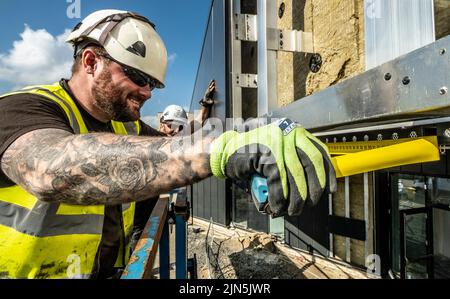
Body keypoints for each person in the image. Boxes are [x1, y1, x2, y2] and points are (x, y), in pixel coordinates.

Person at [0, 9, 336, 279]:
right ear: (91, 62)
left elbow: (175, 150)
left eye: (154, 86)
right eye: (139, 78)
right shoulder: (23, 108)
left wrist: (246, 138)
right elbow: (52, 169)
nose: (147, 92)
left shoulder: (124, 125)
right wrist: (219, 152)